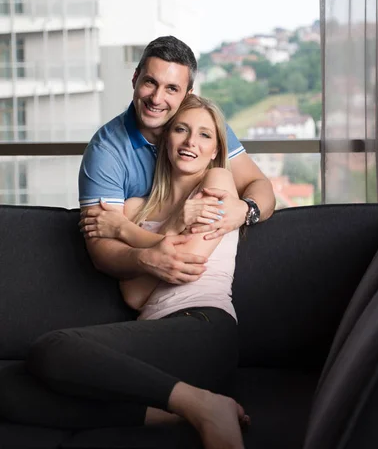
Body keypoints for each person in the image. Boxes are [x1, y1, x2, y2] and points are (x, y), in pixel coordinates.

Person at [0, 94, 249, 449]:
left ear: (215, 150)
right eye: (181, 129)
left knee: (53, 348)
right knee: (8, 389)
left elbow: (182, 264)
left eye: (205, 135)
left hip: (203, 330)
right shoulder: (137, 205)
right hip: (155, 344)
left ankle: (204, 406)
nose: (192, 141)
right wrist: (168, 227)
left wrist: (126, 232)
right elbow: (134, 295)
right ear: (166, 139)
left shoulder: (218, 182)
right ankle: (182, 410)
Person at [79, 35, 275, 291]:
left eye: (172, 88)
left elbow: (259, 186)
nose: (157, 98)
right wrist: (147, 260)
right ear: (135, 79)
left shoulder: (204, 128)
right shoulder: (106, 151)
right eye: (150, 82)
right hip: (132, 287)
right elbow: (102, 250)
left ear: (187, 95)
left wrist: (246, 210)